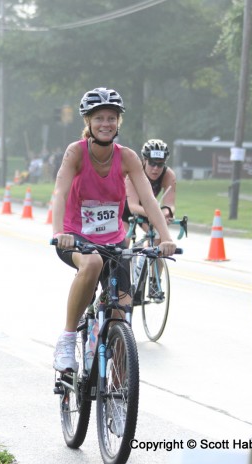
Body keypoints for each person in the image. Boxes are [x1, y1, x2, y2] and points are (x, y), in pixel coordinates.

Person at [51, 87, 177, 372]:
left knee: (121, 310)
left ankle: (119, 386)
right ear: (88, 123)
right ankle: (68, 338)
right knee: (93, 262)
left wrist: (166, 238)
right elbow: (60, 192)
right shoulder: (76, 152)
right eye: (99, 118)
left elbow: (148, 199)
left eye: (111, 118)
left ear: (118, 122)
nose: (106, 123)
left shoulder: (128, 157)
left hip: (113, 240)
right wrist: (59, 232)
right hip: (76, 236)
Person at [122, 138, 177, 240]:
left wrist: (166, 213)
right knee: (124, 241)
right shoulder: (134, 172)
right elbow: (133, 206)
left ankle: (148, 253)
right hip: (125, 211)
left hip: (148, 210)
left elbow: (169, 205)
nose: (155, 168)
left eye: (160, 164)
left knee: (158, 237)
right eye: (152, 163)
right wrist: (158, 214)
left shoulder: (168, 175)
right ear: (144, 160)